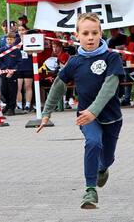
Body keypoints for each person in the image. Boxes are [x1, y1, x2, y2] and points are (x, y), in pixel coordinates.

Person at [38, 12, 125, 209]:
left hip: (111, 118)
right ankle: (90, 190)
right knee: (93, 142)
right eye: (85, 33)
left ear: (101, 33)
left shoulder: (112, 58)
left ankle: (103, 168)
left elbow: (110, 87)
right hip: (86, 117)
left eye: (94, 32)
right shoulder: (74, 62)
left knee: (108, 158)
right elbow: (58, 85)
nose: (90, 37)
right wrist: (46, 113)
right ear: (77, 35)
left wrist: (94, 110)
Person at [0, 32, 18, 116]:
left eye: (11, 39)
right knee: (4, 89)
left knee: (12, 90)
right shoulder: (2, 50)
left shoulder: (16, 50)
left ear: (14, 40)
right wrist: (4, 69)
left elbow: (18, 61)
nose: (9, 41)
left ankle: (11, 108)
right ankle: (7, 104)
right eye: (8, 39)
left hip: (13, 73)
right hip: (4, 72)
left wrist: (13, 70)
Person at [16, 25, 34, 112]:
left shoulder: (30, 40)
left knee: (27, 86)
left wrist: (25, 44)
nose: (21, 32)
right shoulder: (16, 41)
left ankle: (27, 105)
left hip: (28, 66)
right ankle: (19, 105)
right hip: (18, 66)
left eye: (23, 30)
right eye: (19, 30)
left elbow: (31, 52)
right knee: (18, 87)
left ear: (26, 31)